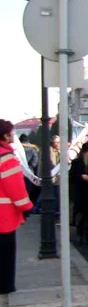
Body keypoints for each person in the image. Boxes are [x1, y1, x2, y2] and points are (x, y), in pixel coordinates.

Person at [0, 120, 33, 295]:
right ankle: (6, 286)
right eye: (11, 132)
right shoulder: (6, 158)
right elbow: (16, 188)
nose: (13, 135)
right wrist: (26, 207)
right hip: (3, 215)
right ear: (5, 135)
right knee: (6, 253)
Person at [69, 143, 88, 245]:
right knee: (81, 215)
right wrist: (80, 176)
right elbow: (71, 177)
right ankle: (80, 234)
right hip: (80, 192)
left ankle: (87, 235)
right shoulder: (76, 162)